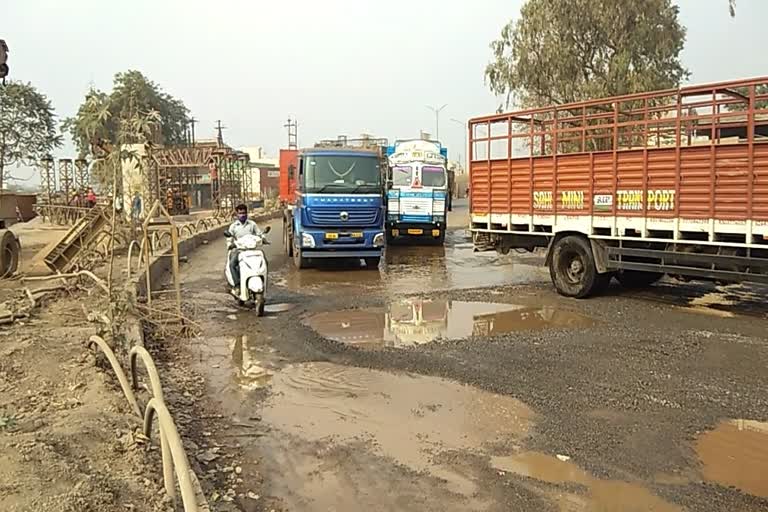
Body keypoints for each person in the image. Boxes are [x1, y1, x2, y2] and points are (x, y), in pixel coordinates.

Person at [227, 204, 262, 288]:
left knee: (263, 261)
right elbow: (229, 238)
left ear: (247, 213)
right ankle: (237, 285)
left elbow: (259, 234)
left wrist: (263, 238)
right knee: (232, 264)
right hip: (239, 250)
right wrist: (230, 245)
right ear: (237, 214)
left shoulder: (252, 224)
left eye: (244, 213)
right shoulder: (233, 226)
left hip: (251, 250)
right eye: (240, 213)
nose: (242, 215)